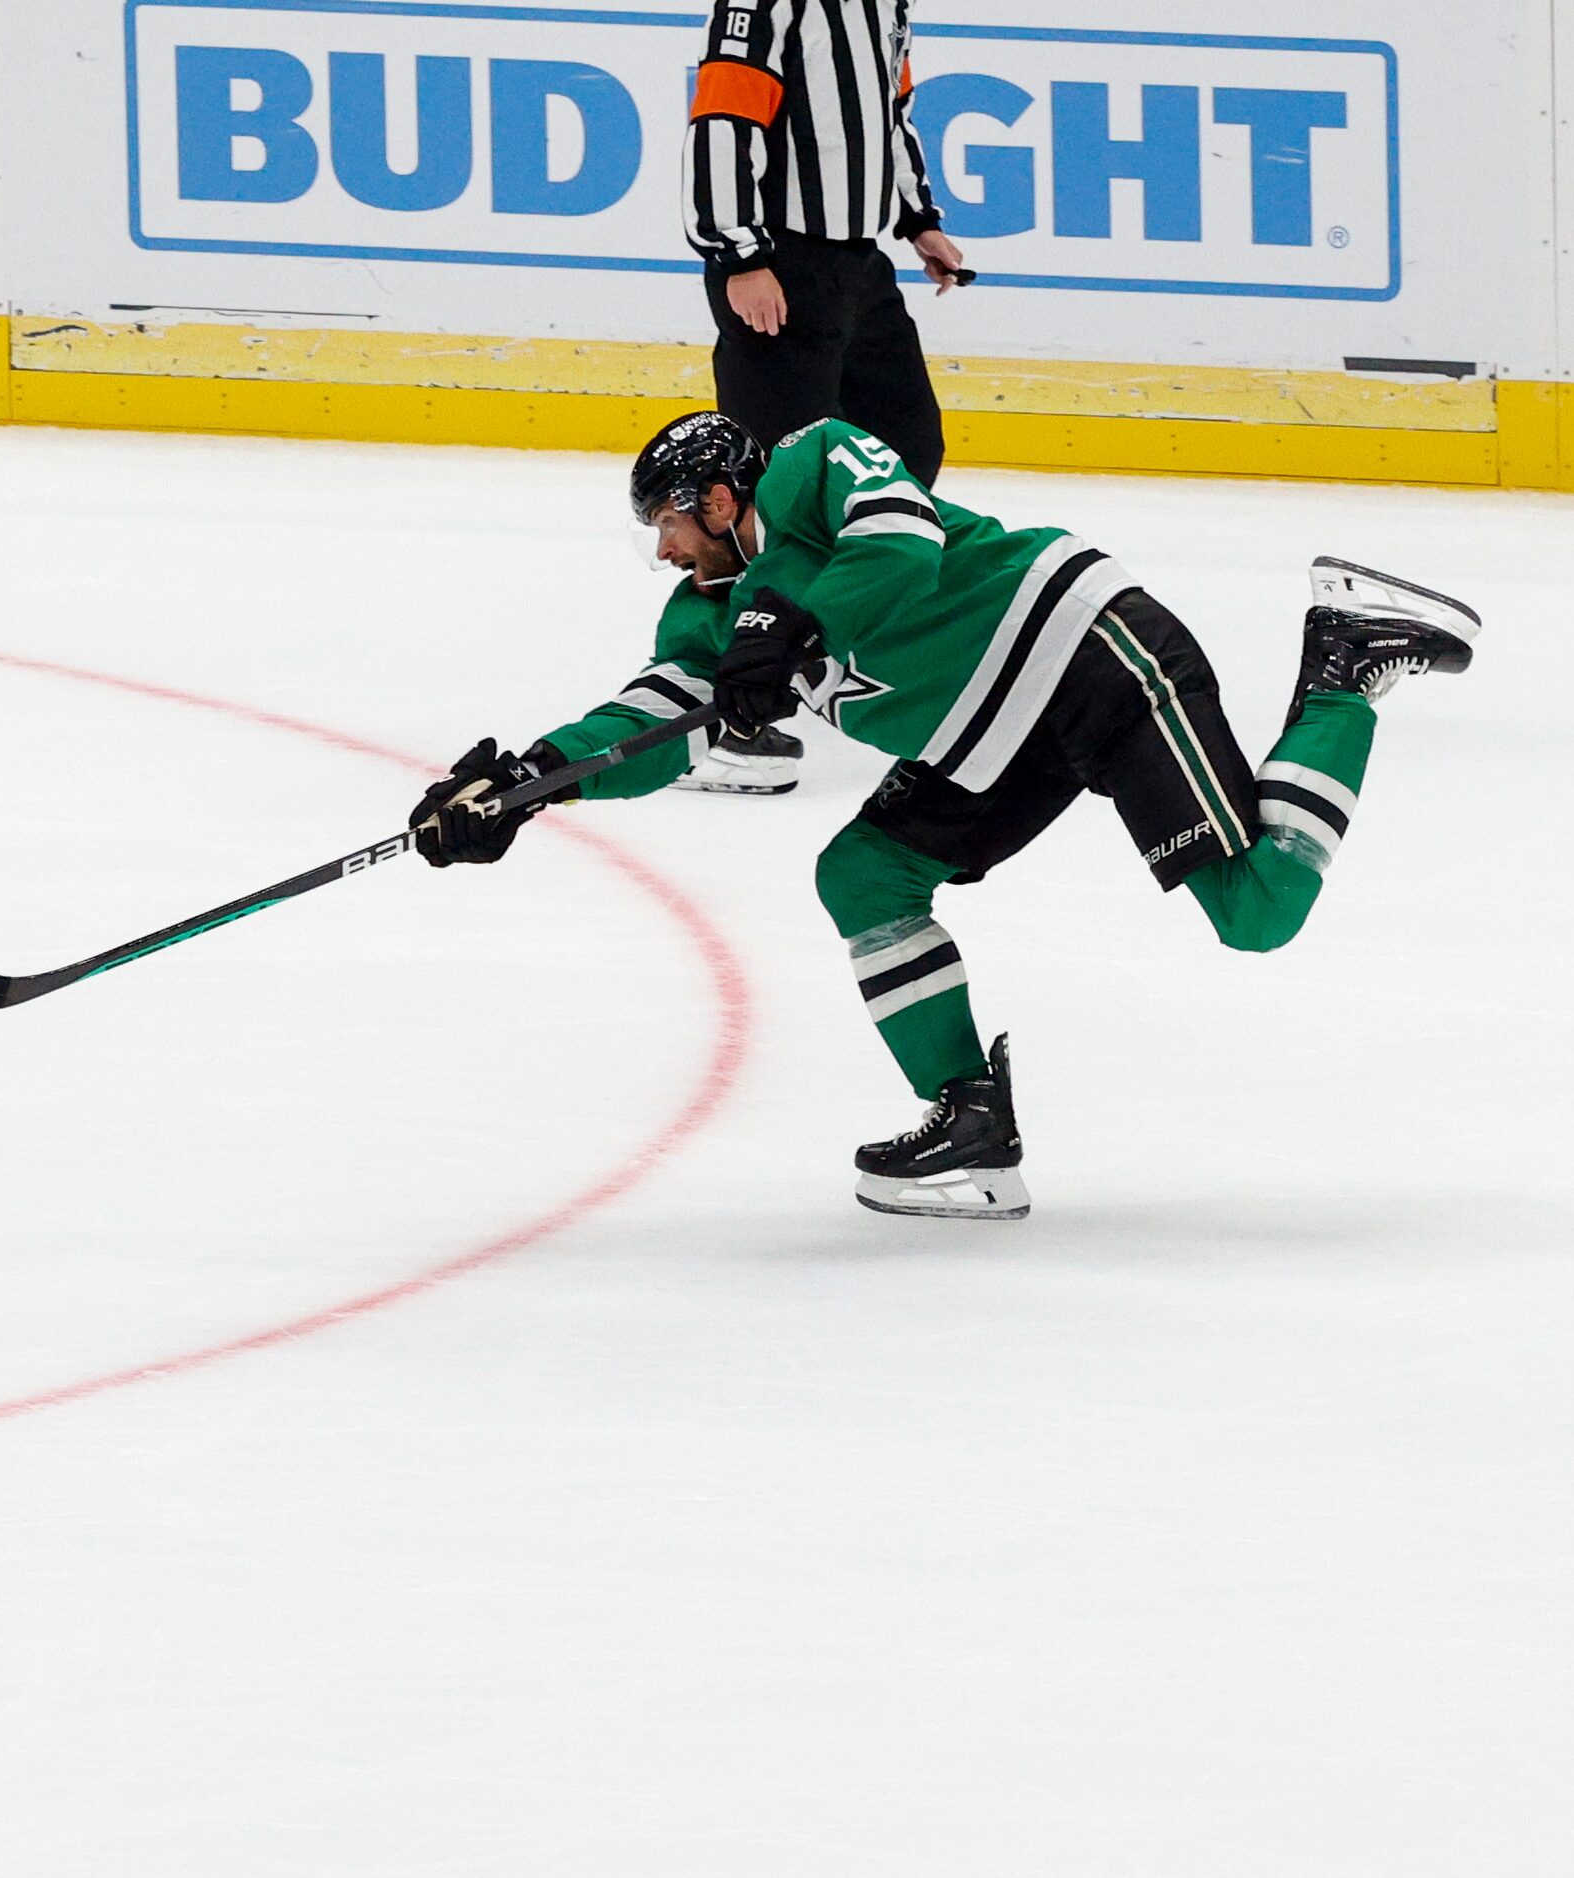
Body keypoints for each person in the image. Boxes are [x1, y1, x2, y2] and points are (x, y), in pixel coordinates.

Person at [406, 412, 1478, 1219]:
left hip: (1082, 647)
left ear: (723, 497)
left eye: (672, 525)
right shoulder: (709, 615)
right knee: (862, 873)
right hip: (988, 741)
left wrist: (791, 619)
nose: (668, 552)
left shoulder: (812, 461)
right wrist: (532, 783)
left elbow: (903, 538)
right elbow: (654, 721)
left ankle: (1344, 665)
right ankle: (971, 1123)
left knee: (1257, 912)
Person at [679, 0, 976, 801]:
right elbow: (721, 119)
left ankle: (836, 652)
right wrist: (739, 252)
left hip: (855, 265)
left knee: (904, 458)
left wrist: (917, 220)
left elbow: (889, 109)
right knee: (767, 498)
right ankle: (723, 715)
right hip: (776, 257)